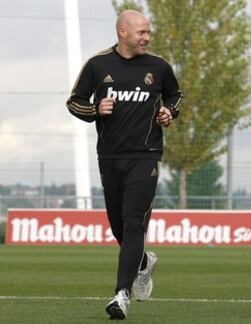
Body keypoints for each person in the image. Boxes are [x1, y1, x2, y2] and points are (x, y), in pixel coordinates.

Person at [66, 10, 182, 320]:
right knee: (119, 227)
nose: (147, 37)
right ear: (122, 32)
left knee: (133, 223)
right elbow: (74, 101)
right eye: (141, 32)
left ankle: (121, 295)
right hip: (110, 157)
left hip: (146, 156)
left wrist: (169, 112)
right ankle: (142, 263)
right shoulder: (98, 65)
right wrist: (95, 109)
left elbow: (175, 96)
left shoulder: (158, 67)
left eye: (148, 32)